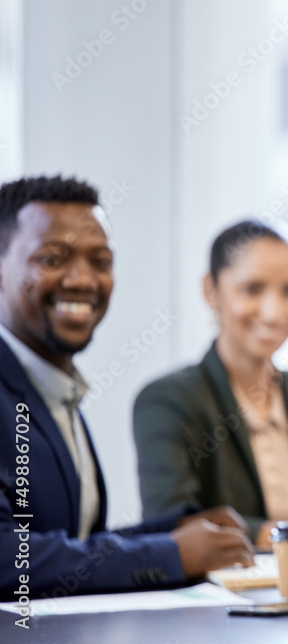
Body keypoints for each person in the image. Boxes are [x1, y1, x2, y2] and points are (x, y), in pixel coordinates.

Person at [0, 175, 254, 601]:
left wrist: (171, 531)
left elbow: (69, 543)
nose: (83, 279)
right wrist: (168, 553)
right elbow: (9, 557)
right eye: (52, 258)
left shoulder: (55, 391)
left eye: (100, 261)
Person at [133, 220, 288, 556]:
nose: (274, 312)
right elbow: (174, 523)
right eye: (253, 289)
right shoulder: (167, 401)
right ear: (211, 290)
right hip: (223, 601)